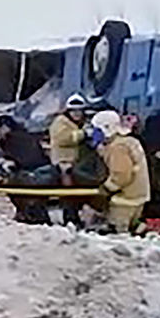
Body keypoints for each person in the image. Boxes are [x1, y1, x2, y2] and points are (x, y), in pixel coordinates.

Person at [91, 110, 151, 234]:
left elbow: (121, 175)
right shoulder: (129, 141)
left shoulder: (117, 148)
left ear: (106, 129)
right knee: (134, 227)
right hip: (138, 195)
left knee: (118, 234)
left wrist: (106, 189)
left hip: (125, 199)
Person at [49, 93, 102, 228]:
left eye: (80, 110)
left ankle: (75, 217)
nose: (77, 113)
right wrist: (84, 134)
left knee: (76, 193)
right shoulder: (60, 122)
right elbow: (64, 139)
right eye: (74, 111)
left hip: (76, 164)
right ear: (68, 111)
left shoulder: (78, 123)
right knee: (68, 194)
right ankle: (70, 219)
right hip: (63, 164)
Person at [0, 115, 55, 224]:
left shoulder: (15, 139)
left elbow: (26, 158)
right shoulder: (22, 136)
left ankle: (29, 214)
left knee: (16, 185)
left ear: (5, 128)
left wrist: (11, 163)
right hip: (41, 170)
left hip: (36, 172)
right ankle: (27, 213)